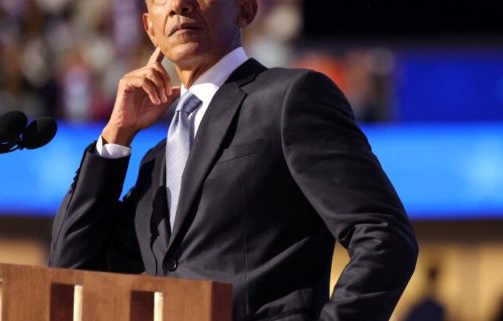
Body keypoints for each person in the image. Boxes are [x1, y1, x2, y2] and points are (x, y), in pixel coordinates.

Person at [47, 0, 419, 320]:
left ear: (245, 8)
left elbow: (385, 236)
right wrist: (115, 137)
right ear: (150, 28)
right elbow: (72, 268)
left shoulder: (290, 98)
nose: (178, 3)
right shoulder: (157, 163)